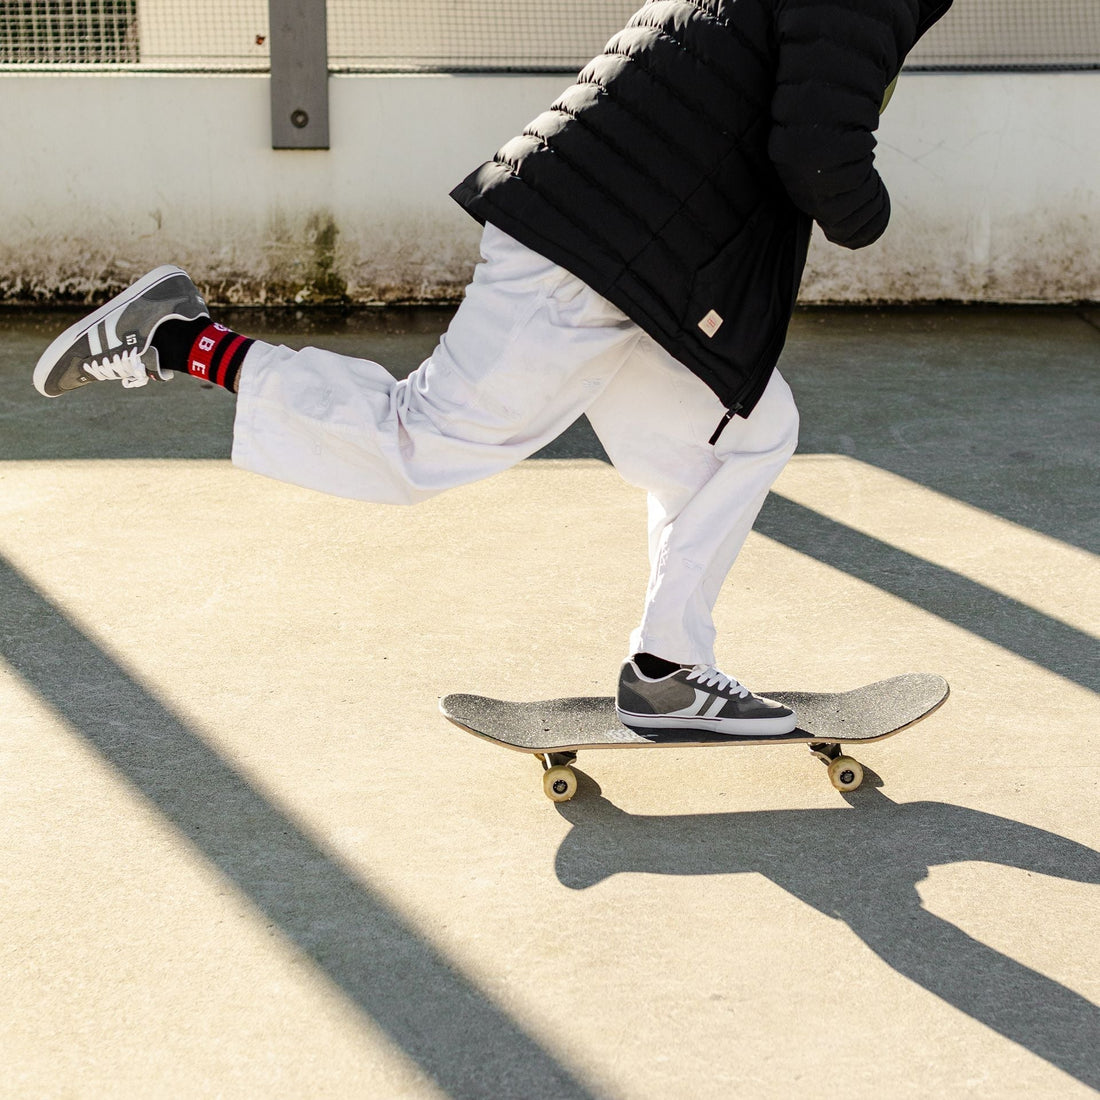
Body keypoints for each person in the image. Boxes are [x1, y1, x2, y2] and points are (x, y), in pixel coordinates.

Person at [32, 0, 953, 736]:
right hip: (599, 249)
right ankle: (175, 338)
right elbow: (817, 152)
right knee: (415, 441)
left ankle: (669, 672)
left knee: (745, 434)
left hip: (634, 251)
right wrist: (864, 214)